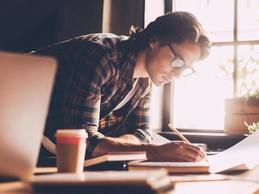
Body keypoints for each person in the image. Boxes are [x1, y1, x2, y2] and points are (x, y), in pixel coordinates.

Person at [33, 11, 211, 162]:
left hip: (47, 149)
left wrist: (112, 146)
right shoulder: (102, 57)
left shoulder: (145, 80)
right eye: (178, 62)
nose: (178, 74)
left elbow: (142, 132)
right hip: (12, 127)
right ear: (154, 40)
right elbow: (81, 140)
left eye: (186, 68)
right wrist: (156, 151)